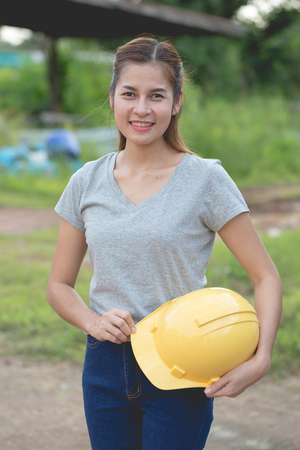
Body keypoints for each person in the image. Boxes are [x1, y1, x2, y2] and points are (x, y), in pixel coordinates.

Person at [47, 36, 282, 450]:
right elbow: (58, 285)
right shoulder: (85, 181)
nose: (141, 109)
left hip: (184, 362)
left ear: (176, 103)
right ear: (113, 98)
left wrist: (261, 357)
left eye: (156, 95)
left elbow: (265, 276)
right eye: (130, 94)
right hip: (104, 366)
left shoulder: (206, 180)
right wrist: (92, 321)